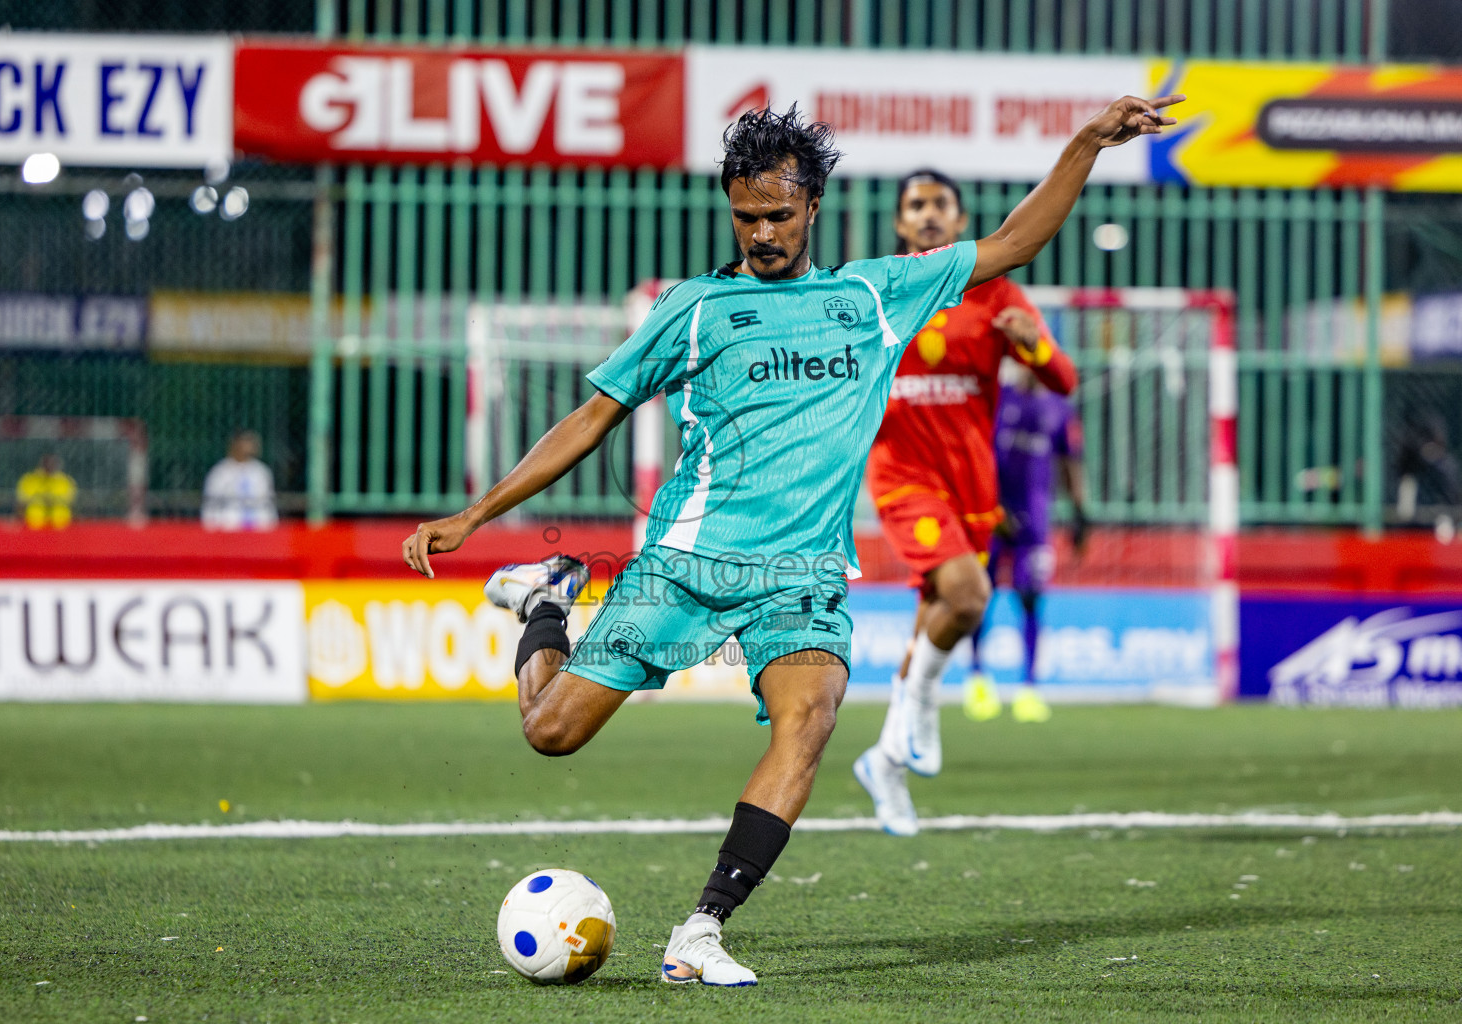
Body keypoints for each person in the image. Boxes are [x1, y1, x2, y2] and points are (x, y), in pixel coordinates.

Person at [403, 95, 1181, 985]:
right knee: (550, 733)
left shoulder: (873, 296)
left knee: (809, 720)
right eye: (745, 217)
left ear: (812, 205)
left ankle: (701, 930)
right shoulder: (694, 307)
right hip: (686, 565)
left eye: (777, 214)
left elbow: (1012, 245)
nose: (761, 232)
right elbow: (592, 417)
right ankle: (546, 598)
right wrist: (474, 515)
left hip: (800, 577)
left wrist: (1086, 143)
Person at [850, 169, 1079, 838]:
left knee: (936, 615)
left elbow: (1062, 379)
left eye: (938, 205)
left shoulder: (998, 290)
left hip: (972, 488)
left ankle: (885, 762)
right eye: (914, 205)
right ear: (899, 224)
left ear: (959, 220)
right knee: (970, 594)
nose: (926, 215)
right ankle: (921, 705)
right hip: (902, 475)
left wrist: (1030, 342)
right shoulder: (876, 292)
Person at [966, 362, 1090, 722]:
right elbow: (976, 453)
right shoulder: (997, 398)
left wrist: (1081, 513)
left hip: (1035, 524)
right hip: (992, 518)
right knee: (979, 596)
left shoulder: (1058, 406)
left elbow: (1071, 462)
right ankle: (977, 680)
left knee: (1032, 598)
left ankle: (1029, 688)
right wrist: (991, 505)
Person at [202, 430, 277, 531]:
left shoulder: (261, 472)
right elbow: (210, 503)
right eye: (245, 442)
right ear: (235, 445)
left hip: (258, 529)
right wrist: (211, 529)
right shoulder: (220, 472)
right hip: (228, 529)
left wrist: (271, 526)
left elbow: (268, 503)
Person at [16, 452, 77, 529]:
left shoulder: (65, 481)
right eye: (47, 463)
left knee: (60, 515)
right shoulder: (29, 480)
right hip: (34, 522)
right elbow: (21, 503)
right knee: (35, 514)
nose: (49, 466)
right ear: (41, 465)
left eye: (52, 464)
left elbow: (72, 504)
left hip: (60, 522)